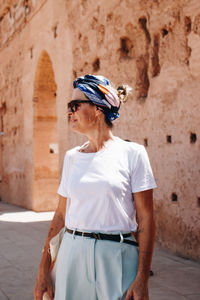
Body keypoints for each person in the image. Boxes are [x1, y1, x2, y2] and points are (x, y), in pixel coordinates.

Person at [34, 74, 157, 300]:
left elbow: (146, 219)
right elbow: (60, 216)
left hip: (118, 258)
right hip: (72, 254)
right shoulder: (72, 158)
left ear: (98, 109)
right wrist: (43, 269)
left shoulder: (134, 154)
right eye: (68, 107)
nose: (69, 112)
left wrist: (142, 278)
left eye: (75, 105)